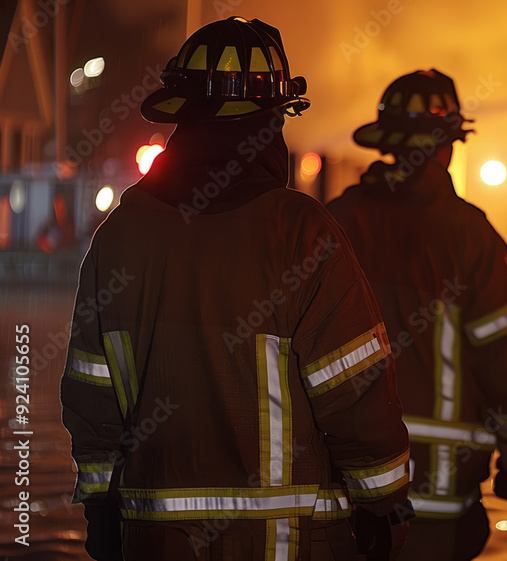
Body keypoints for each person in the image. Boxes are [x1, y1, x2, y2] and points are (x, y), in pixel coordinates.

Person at [60, 17, 411, 560]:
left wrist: (101, 507)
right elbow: (353, 387)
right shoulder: (302, 232)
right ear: (274, 121)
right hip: (285, 543)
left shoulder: (119, 238)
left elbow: (91, 396)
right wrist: (384, 500)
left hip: (155, 542)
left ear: (182, 115)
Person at [325, 69, 507, 561]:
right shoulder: (473, 238)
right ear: (449, 145)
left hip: (341, 491)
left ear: (386, 143)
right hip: (438, 498)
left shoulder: (333, 224)